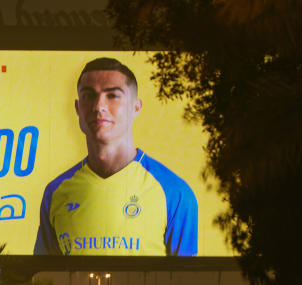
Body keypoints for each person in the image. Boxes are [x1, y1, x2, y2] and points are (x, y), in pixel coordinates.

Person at [34, 57, 198, 256]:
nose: (98, 106)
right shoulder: (55, 193)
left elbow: (184, 284)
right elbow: (42, 282)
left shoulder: (175, 193)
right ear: (77, 108)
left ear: (136, 107)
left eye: (112, 96)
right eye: (88, 96)